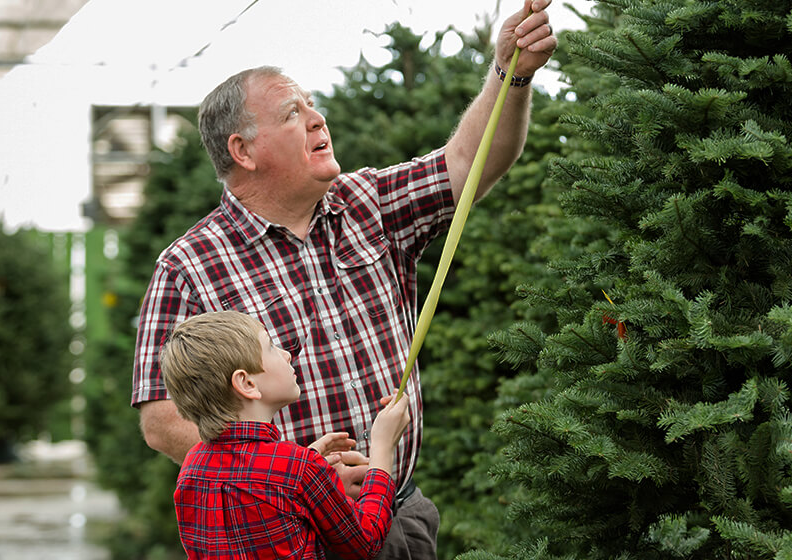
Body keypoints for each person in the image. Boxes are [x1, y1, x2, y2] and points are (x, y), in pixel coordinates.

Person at [132, 1, 557, 557]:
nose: (316, 119)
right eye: (291, 113)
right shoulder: (189, 266)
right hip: (293, 535)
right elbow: (163, 420)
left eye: (313, 106)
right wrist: (293, 476)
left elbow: (468, 161)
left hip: (399, 514)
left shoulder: (366, 204)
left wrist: (510, 73)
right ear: (243, 150)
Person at [160, 310, 411, 559]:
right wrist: (383, 447)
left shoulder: (192, 467)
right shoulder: (297, 468)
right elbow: (366, 541)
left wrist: (308, 461)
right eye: (270, 347)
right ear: (247, 384)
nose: (287, 355)